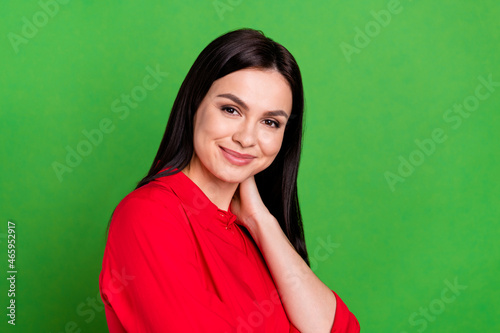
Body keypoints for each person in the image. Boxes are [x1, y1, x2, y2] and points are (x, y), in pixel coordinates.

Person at [99, 28, 360, 332]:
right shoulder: (149, 215)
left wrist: (261, 221)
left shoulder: (249, 231)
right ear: (195, 104)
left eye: (270, 122)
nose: (247, 138)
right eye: (231, 109)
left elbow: (338, 329)